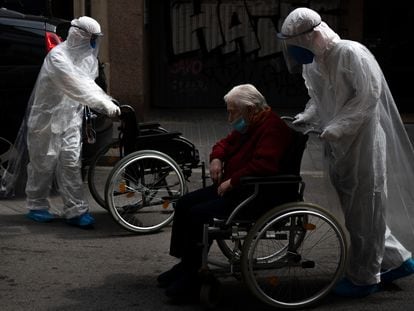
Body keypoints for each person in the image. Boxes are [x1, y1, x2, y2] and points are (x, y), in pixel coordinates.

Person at [278, 7, 414, 297]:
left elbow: (368, 96)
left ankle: (365, 279)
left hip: (363, 144)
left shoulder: (351, 54)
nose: (294, 51)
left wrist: (339, 126)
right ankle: (397, 260)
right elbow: (317, 99)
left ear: (313, 35)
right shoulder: (313, 64)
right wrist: (307, 118)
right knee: (359, 213)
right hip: (339, 147)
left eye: (296, 43)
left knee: (367, 210)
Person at [157, 84, 294, 302]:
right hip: (237, 188)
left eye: (232, 111)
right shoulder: (250, 124)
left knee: (198, 214)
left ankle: (193, 275)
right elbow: (223, 144)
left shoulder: (272, 128)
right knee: (184, 204)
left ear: (250, 109)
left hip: (254, 195)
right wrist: (216, 159)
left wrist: (232, 181)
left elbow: (264, 166)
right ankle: (186, 265)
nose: (230, 117)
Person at [22, 16, 120, 228]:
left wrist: (106, 101)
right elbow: (77, 85)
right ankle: (36, 205)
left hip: (70, 119)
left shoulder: (87, 58)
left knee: (71, 163)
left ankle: (75, 210)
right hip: (46, 120)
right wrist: (104, 104)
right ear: (79, 35)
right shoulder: (57, 57)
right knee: (42, 164)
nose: (94, 43)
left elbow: (89, 84)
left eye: (96, 39)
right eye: (92, 38)